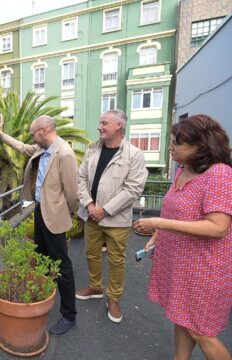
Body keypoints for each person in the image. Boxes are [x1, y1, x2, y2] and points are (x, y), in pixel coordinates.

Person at [134, 114, 232, 360]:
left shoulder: (219, 174)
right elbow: (173, 208)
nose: (171, 147)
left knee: (200, 331)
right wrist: (158, 235)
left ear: (200, 145)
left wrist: (158, 223)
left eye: (177, 142)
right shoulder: (182, 170)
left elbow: (218, 227)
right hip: (180, 263)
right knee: (182, 317)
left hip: (203, 268)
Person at [0, 114, 79, 335]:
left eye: (34, 133)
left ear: (43, 130)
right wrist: (1, 134)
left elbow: (72, 194)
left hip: (55, 216)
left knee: (62, 266)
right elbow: (22, 147)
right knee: (41, 256)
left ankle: (69, 316)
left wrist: (65, 214)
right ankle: (42, 295)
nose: (32, 138)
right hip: (40, 211)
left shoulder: (64, 154)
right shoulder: (43, 149)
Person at [76, 109, 148, 323]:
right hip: (91, 215)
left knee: (116, 261)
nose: (100, 126)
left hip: (116, 219)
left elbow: (134, 189)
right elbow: (81, 179)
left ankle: (114, 298)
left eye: (104, 123)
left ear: (119, 125)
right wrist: (89, 205)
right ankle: (95, 287)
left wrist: (104, 210)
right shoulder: (92, 149)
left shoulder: (134, 154)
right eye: (100, 122)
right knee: (91, 253)